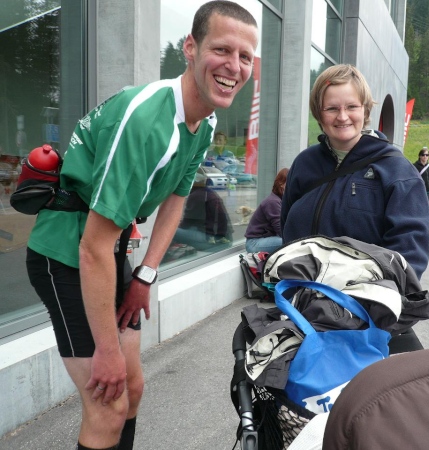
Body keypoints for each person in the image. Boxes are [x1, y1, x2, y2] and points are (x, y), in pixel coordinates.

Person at [24, 2, 258, 449]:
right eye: (222, 49)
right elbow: (91, 248)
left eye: (245, 56)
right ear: (191, 48)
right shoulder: (147, 119)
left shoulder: (204, 121)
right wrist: (106, 349)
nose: (234, 66)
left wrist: (146, 275)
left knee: (132, 388)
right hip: (65, 253)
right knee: (107, 404)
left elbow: (176, 198)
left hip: (107, 251)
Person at [281, 64, 429, 280]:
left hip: (363, 298)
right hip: (299, 293)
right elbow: (286, 228)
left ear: (365, 110)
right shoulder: (304, 164)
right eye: (332, 108)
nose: (342, 117)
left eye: (351, 106)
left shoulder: (398, 172)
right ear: (319, 114)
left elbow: (409, 257)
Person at [173, 171, 233, 250]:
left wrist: (174, 225)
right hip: (223, 237)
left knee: (168, 231)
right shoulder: (208, 193)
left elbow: (187, 223)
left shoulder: (196, 195)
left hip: (210, 237)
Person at [244, 167, 288, 254]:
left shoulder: (280, 200)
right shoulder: (273, 201)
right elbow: (280, 229)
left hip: (264, 239)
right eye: (290, 183)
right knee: (291, 242)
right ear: (281, 184)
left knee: (293, 240)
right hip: (254, 243)